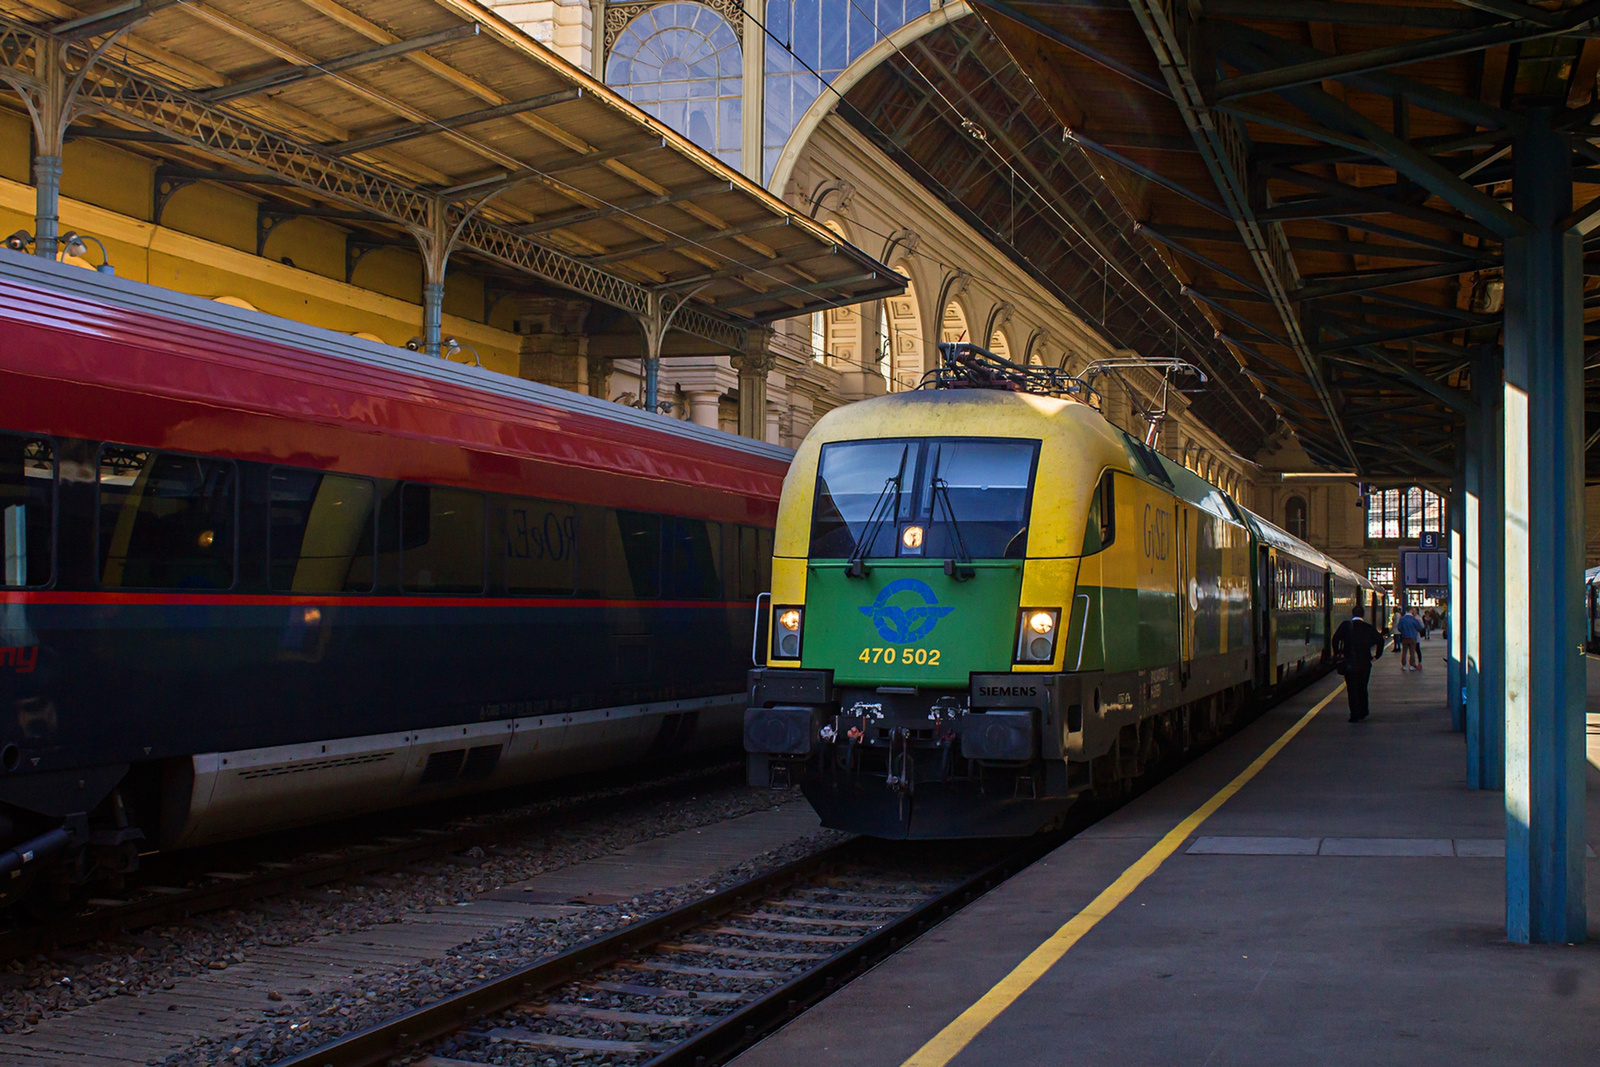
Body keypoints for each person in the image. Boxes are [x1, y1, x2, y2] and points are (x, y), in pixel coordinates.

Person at [1333, 606, 1385, 722]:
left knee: (1352, 689)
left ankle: (1354, 714)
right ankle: (1363, 711)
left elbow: (1335, 639)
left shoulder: (1346, 627)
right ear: (1363, 615)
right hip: (1365, 663)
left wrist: (1338, 653)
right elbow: (1380, 640)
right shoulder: (1368, 628)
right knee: (1362, 687)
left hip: (1349, 663)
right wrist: (1377, 655)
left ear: (1352, 614)